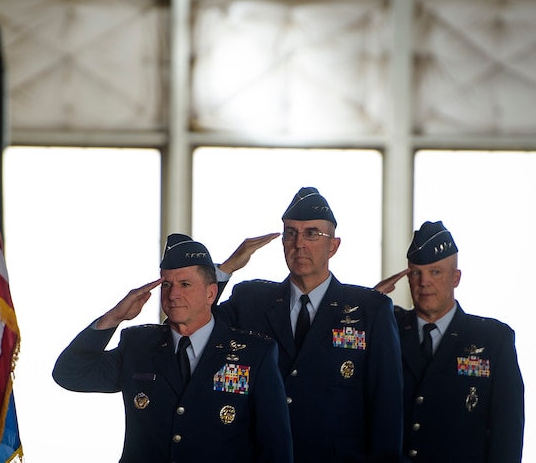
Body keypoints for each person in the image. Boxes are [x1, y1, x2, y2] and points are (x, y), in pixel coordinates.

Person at [52, 234, 293, 463]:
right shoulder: (139, 346)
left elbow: (274, 448)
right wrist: (114, 317)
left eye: (185, 284)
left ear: (211, 293)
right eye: (166, 284)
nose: (173, 294)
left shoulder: (254, 354)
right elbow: (70, 374)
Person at [214, 187, 404, 463]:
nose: (299, 243)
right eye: (291, 233)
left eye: (311, 233)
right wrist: (226, 269)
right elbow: (194, 326)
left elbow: (386, 406)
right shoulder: (251, 300)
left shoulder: (370, 309)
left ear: (333, 246)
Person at [374, 221, 525, 462]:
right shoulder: (388, 328)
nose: (424, 282)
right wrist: (371, 303)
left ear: (456, 278)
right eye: (416, 273)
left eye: (436, 272)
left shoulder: (493, 340)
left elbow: (506, 436)